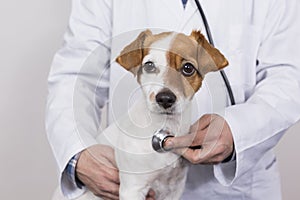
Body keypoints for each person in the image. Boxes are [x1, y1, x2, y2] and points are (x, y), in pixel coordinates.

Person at [46, 0, 300, 199]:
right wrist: (77, 154)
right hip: (121, 176)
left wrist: (239, 130)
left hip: (234, 190)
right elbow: (76, 74)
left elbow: (289, 75)